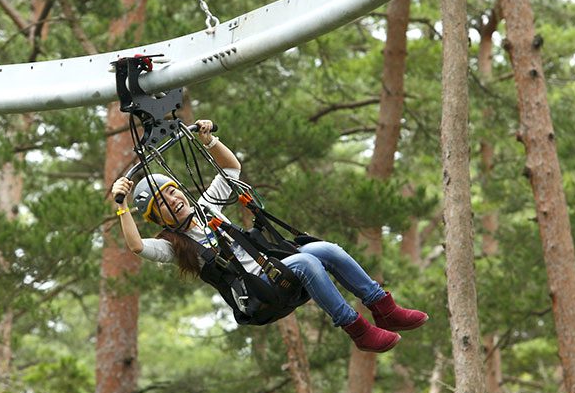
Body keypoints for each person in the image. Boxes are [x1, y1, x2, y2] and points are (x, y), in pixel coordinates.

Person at [110, 121, 428, 352]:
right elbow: (137, 246)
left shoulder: (207, 207)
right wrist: (122, 207)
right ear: (157, 218)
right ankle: (357, 330)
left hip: (275, 270)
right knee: (306, 262)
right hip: (259, 294)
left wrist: (209, 141)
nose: (172, 200)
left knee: (326, 250)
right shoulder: (173, 246)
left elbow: (231, 169)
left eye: (171, 192)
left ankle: (384, 307)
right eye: (161, 203)